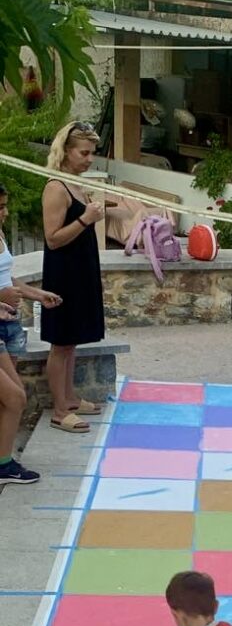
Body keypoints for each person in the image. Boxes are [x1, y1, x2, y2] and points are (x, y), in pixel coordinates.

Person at [41, 122, 124, 435]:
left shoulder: (75, 184)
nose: (90, 159)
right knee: (60, 342)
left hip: (80, 269)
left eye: (93, 153)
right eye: (84, 153)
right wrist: (85, 218)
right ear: (66, 151)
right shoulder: (55, 188)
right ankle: (60, 410)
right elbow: (52, 239)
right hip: (63, 273)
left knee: (71, 341)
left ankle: (71, 397)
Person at [0, 182, 62, 486]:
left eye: (4, 205)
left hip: (6, 328)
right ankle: (4, 466)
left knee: (8, 399)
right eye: (0, 207)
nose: (6, 212)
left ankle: (3, 461)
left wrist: (36, 294)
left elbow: (7, 279)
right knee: (15, 398)